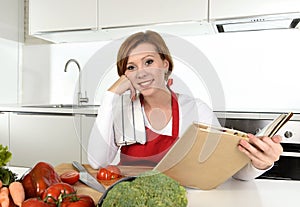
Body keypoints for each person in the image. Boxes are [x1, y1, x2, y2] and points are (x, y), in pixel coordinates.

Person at [87, 30, 283, 180]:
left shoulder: (196, 111)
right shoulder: (122, 112)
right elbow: (97, 163)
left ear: (165, 64)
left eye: (148, 62)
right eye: (131, 67)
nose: (141, 73)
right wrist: (109, 97)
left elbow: (228, 171)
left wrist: (260, 164)